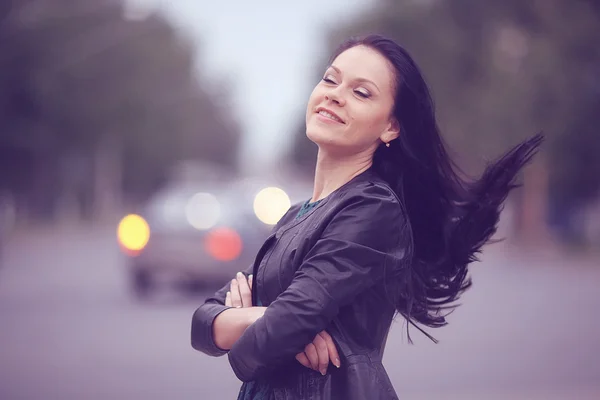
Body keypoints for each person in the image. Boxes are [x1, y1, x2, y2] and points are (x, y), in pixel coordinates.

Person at [191, 34, 543, 399]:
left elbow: (265, 343)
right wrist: (269, 319)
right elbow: (201, 324)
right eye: (331, 79)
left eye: (361, 93)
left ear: (391, 126)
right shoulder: (296, 215)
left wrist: (264, 323)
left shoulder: (374, 210)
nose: (335, 94)